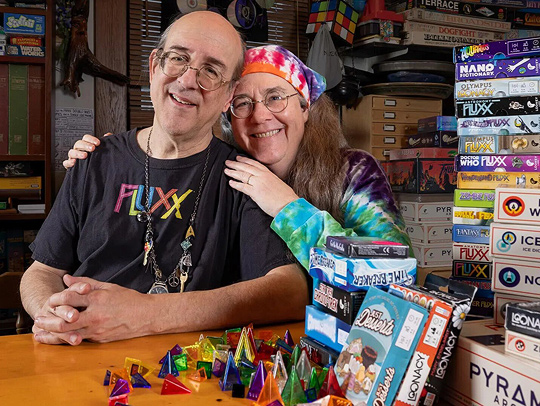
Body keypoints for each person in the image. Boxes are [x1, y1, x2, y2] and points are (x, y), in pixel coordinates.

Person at [21, 12, 309, 346]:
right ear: (155, 65)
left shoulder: (244, 177)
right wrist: (55, 316)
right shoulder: (94, 159)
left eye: (211, 71)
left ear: (228, 96)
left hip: (184, 373)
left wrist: (148, 314)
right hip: (78, 350)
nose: (188, 80)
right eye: (178, 59)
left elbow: (290, 290)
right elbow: (42, 271)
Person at [65, 45, 412, 273]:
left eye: (276, 97)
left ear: (305, 107)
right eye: (242, 103)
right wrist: (104, 160)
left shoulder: (352, 171)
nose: (259, 116)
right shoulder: (217, 173)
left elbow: (398, 268)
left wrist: (288, 208)